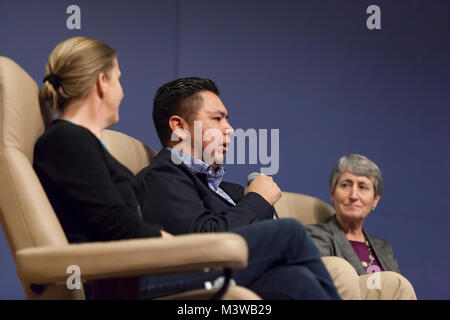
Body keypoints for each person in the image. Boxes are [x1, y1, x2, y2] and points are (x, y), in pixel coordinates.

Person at [34, 36, 340, 300]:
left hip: (140, 268)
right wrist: (185, 250)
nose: (123, 92)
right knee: (286, 231)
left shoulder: (82, 143)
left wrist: (185, 249)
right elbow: (117, 226)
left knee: (294, 282)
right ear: (102, 82)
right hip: (124, 279)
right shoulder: (65, 140)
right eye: (118, 79)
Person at [136, 77, 280, 234]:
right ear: (179, 127)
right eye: (217, 118)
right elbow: (203, 239)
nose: (230, 129)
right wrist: (259, 200)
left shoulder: (236, 192)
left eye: (226, 119)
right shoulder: (160, 177)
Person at [306, 154, 417, 299]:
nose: (353, 195)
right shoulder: (316, 236)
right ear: (333, 194)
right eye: (346, 185)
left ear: (375, 200)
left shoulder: (384, 249)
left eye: (363, 187)